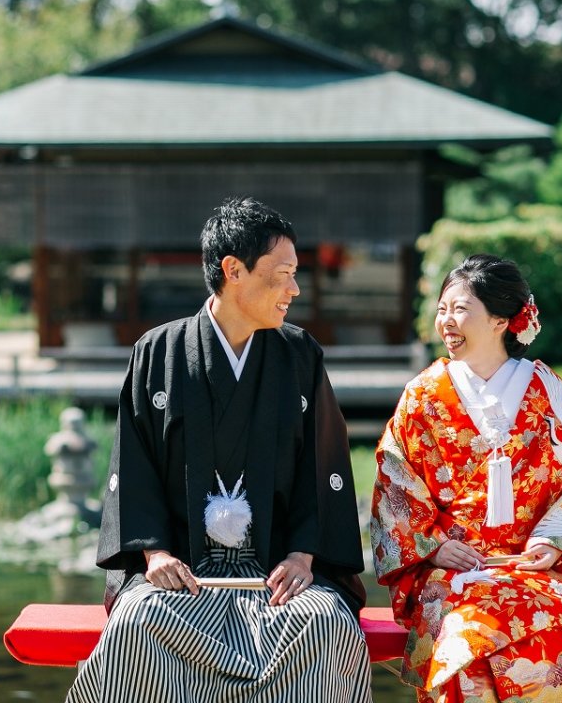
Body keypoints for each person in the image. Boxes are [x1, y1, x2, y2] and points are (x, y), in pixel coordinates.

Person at [66, 197, 371, 703]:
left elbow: (326, 465)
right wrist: (155, 553)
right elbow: (133, 465)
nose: (294, 289)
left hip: (276, 578)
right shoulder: (157, 353)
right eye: (283, 274)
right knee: (137, 622)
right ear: (233, 270)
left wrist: (301, 555)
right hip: (179, 577)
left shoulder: (300, 355)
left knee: (324, 623)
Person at [371, 254, 562, 703]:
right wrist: (435, 547)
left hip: (533, 569)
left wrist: (553, 542)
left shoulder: (548, 392)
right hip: (451, 572)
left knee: (543, 637)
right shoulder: (422, 395)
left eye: (460, 309)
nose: (446, 321)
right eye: (442, 309)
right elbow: (395, 481)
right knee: (465, 636)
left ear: (502, 318)